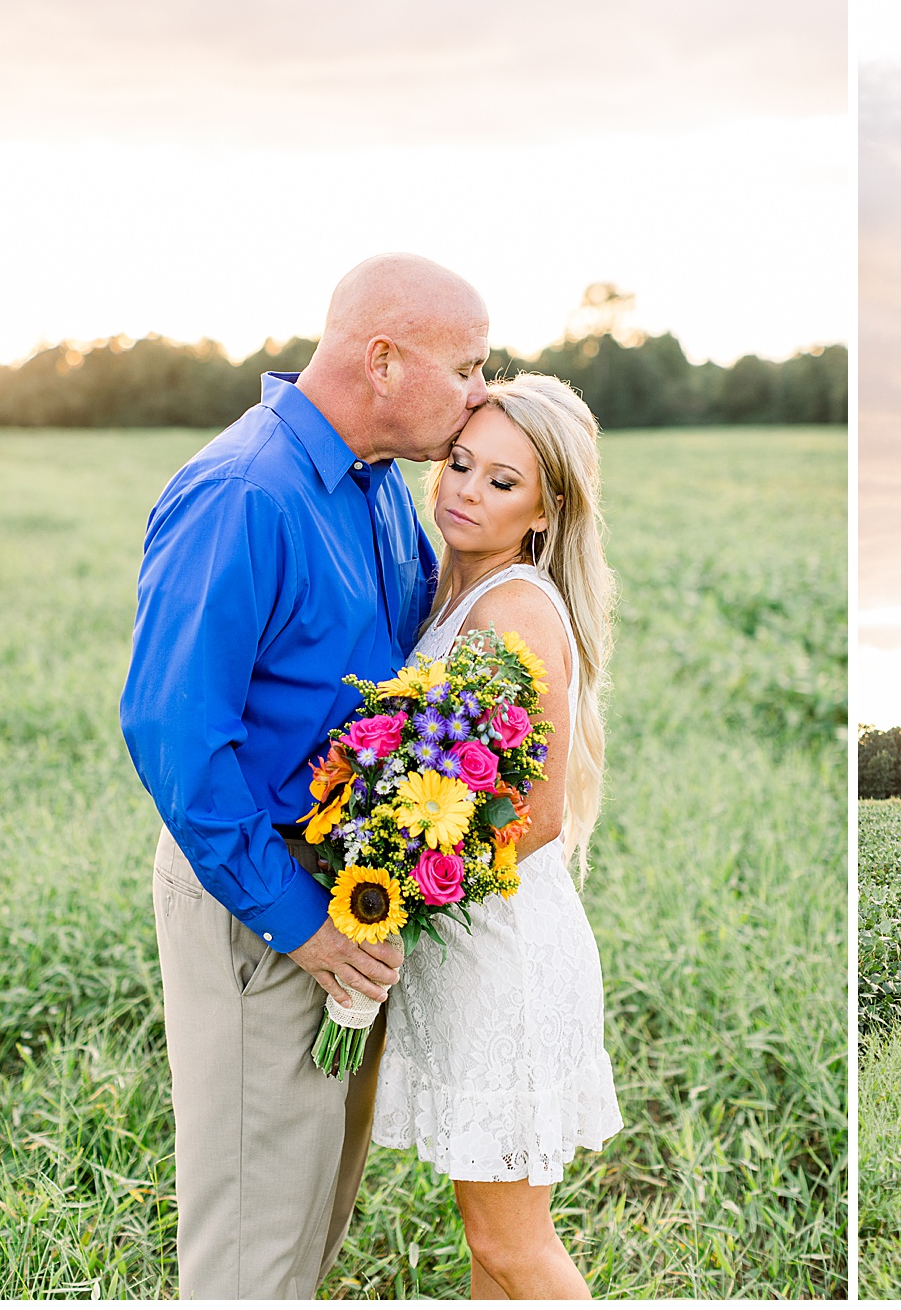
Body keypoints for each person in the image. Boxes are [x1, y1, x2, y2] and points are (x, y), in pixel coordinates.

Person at [120, 254, 492, 1297]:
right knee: (251, 1246)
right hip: (262, 897)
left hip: (353, 890)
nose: (481, 393)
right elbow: (176, 739)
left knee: (312, 1209)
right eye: (467, 366)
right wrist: (305, 925)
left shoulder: (377, 489)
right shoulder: (245, 493)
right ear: (383, 361)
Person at [370, 374, 622, 1298]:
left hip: (500, 956)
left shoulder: (513, 609)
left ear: (547, 510)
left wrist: (394, 884)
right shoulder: (449, 592)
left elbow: (537, 817)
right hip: (465, 944)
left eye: (502, 482)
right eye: (461, 463)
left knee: (515, 1245)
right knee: (489, 1246)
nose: (465, 491)